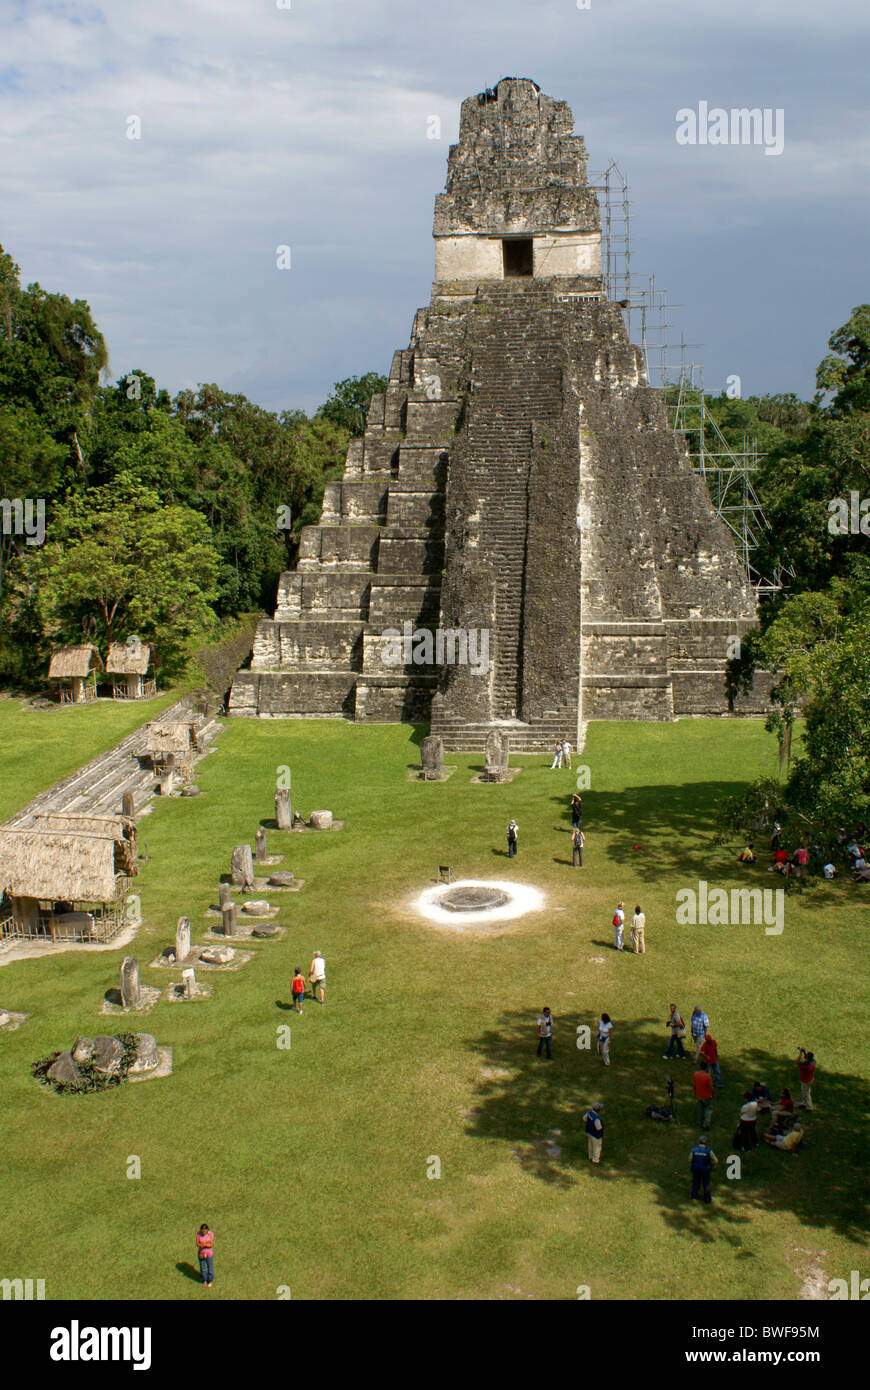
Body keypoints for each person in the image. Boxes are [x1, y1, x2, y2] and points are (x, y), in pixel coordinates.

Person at [689, 1135, 718, 1203]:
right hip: (705, 1170)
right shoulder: (708, 1151)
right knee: (706, 1184)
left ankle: (693, 1196)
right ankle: (707, 1199)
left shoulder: (694, 1149)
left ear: (699, 1141)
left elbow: (690, 1159)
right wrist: (713, 1165)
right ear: (706, 1142)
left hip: (696, 1169)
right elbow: (716, 1160)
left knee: (695, 1183)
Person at [693, 1063, 714, 1128]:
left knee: (700, 1109)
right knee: (708, 1109)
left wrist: (695, 1092)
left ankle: (699, 1122)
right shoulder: (707, 1076)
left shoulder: (695, 1074)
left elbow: (694, 1084)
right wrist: (713, 1094)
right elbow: (710, 1087)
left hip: (699, 1094)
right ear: (706, 1068)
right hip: (707, 1095)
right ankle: (706, 1124)